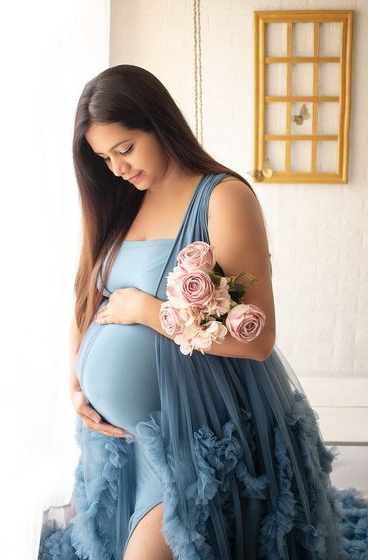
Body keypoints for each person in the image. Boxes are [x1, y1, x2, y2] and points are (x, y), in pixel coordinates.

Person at [38, 64, 367, 560]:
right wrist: (78, 383)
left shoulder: (222, 198)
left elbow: (256, 340)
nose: (117, 169)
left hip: (195, 437)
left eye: (125, 149)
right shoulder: (122, 202)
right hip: (125, 444)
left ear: (158, 122)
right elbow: (87, 296)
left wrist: (148, 311)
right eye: (105, 158)